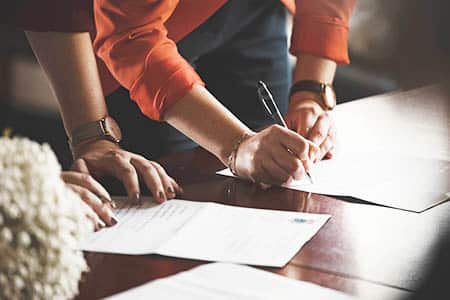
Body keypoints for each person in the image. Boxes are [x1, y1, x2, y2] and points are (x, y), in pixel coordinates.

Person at [70, 0, 355, 187]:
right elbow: (132, 37)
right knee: (168, 197)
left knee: (276, 174)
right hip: (149, 37)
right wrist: (235, 144)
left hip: (258, 12)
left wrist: (310, 92)